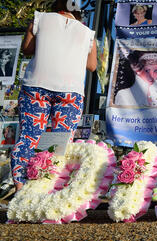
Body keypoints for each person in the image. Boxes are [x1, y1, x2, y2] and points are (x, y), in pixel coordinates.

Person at [10, 0, 97, 191]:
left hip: (36, 87)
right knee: (61, 141)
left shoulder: (40, 19)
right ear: (79, 13)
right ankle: (50, 188)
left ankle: (20, 187)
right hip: (70, 91)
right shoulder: (88, 33)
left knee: (28, 137)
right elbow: (92, 66)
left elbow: (27, 49)